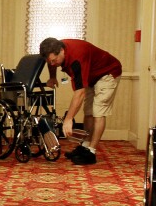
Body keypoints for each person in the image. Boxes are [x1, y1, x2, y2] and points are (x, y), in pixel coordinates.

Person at [39, 37, 121, 165]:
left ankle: (91, 152)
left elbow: (80, 93)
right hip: (91, 76)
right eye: (50, 61)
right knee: (88, 111)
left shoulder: (77, 57)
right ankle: (85, 146)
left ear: (61, 51)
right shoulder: (56, 49)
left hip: (108, 73)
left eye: (54, 60)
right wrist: (53, 77)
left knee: (98, 111)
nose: (53, 64)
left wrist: (68, 119)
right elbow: (51, 62)